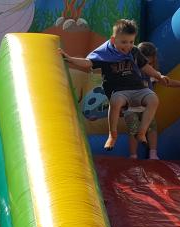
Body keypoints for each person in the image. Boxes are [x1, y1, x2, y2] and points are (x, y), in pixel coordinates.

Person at [59, 19, 169, 151]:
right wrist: (70, 59)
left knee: (153, 99)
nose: (128, 46)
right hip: (119, 91)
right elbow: (88, 62)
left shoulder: (134, 51)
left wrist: (159, 76)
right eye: (124, 42)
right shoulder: (105, 52)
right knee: (116, 101)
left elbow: (145, 67)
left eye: (131, 42)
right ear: (113, 40)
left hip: (137, 88)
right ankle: (112, 135)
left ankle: (142, 132)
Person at [125, 41, 180, 159]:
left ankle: (153, 153)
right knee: (133, 130)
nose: (148, 67)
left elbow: (168, 82)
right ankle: (133, 155)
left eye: (151, 63)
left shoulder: (152, 75)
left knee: (152, 128)